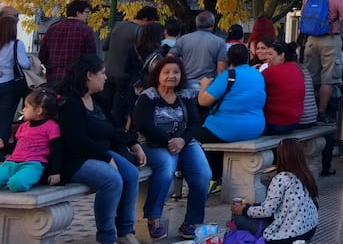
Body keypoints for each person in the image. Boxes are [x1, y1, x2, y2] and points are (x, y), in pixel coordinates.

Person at [58, 54, 147, 244]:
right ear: (89, 75)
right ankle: (106, 237)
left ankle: (125, 231)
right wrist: (106, 159)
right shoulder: (70, 103)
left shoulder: (98, 100)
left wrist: (134, 144)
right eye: (102, 73)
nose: (106, 77)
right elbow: (77, 141)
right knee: (112, 180)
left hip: (100, 153)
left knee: (131, 174)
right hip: (75, 159)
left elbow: (115, 127)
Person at [132, 55, 210, 239]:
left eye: (176, 72)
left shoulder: (185, 95)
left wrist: (182, 140)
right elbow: (142, 125)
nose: (171, 76)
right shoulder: (148, 96)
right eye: (166, 72)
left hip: (185, 142)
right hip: (153, 143)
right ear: (158, 75)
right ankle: (154, 217)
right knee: (166, 168)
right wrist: (169, 141)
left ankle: (191, 222)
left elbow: (195, 124)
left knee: (203, 174)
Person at [197, 44, 266, 194]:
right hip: (256, 127)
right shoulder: (257, 74)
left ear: (228, 58)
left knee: (196, 136)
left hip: (229, 129)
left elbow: (203, 101)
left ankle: (213, 177)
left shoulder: (229, 75)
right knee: (212, 136)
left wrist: (204, 85)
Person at [231, 138, 319, 244]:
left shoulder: (282, 178)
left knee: (238, 218)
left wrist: (244, 210)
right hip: (309, 231)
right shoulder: (306, 175)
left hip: (288, 235)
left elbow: (268, 211)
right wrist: (253, 206)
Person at [0, 86, 61, 191]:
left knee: (16, 184)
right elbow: (17, 146)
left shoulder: (51, 126)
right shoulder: (23, 126)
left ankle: (20, 179)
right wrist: (4, 146)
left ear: (38, 110)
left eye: (26, 107)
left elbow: (57, 150)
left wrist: (55, 172)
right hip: (11, 163)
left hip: (32, 164)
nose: (23, 110)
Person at [103, 4, 158, 119]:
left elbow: (105, 46)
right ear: (145, 19)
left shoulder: (118, 25)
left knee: (105, 104)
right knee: (118, 108)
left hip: (108, 72)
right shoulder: (139, 31)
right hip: (125, 75)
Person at [39, 0, 97, 83]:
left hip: (54, 76)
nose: (88, 15)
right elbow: (91, 56)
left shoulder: (52, 28)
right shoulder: (85, 30)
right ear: (78, 13)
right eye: (86, 12)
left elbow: (42, 56)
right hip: (76, 78)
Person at [171, 10, 228, 91]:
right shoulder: (219, 42)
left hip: (186, 85)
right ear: (213, 24)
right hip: (208, 86)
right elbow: (221, 70)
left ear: (196, 23)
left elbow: (170, 58)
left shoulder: (183, 39)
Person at [260, 39, 305, 135]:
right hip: (294, 122)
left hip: (275, 123)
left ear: (281, 55)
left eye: (270, 54)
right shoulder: (296, 68)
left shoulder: (270, 71)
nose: (266, 57)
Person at [0, 12, 31, 137]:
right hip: (9, 83)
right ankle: (2, 144)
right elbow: (25, 64)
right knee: (5, 118)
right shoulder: (17, 44)